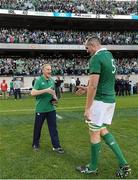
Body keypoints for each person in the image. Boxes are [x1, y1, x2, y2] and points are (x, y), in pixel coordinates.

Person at [75, 37, 131, 178]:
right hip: (110, 100)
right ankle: (124, 164)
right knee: (102, 130)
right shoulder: (109, 55)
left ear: (93, 45)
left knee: (94, 133)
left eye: (87, 48)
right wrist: (86, 88)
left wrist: (88, 108)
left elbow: (94, 85)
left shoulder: (96, 58)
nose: (87, 51)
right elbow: (103, 81)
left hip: (100, 102)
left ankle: (93, 168)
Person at [31, 64, 64, 154]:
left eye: (50, 69)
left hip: (51, 109)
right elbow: (33, 93)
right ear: (43, 71)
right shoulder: (38, 80)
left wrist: (55, 99)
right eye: (47, 69)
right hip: (40, 109)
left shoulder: (52, 80)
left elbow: (53, 93)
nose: (50, 71)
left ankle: (56, 146)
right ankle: (35, 144)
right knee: (38, 128)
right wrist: (45, 90)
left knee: (53, 129)